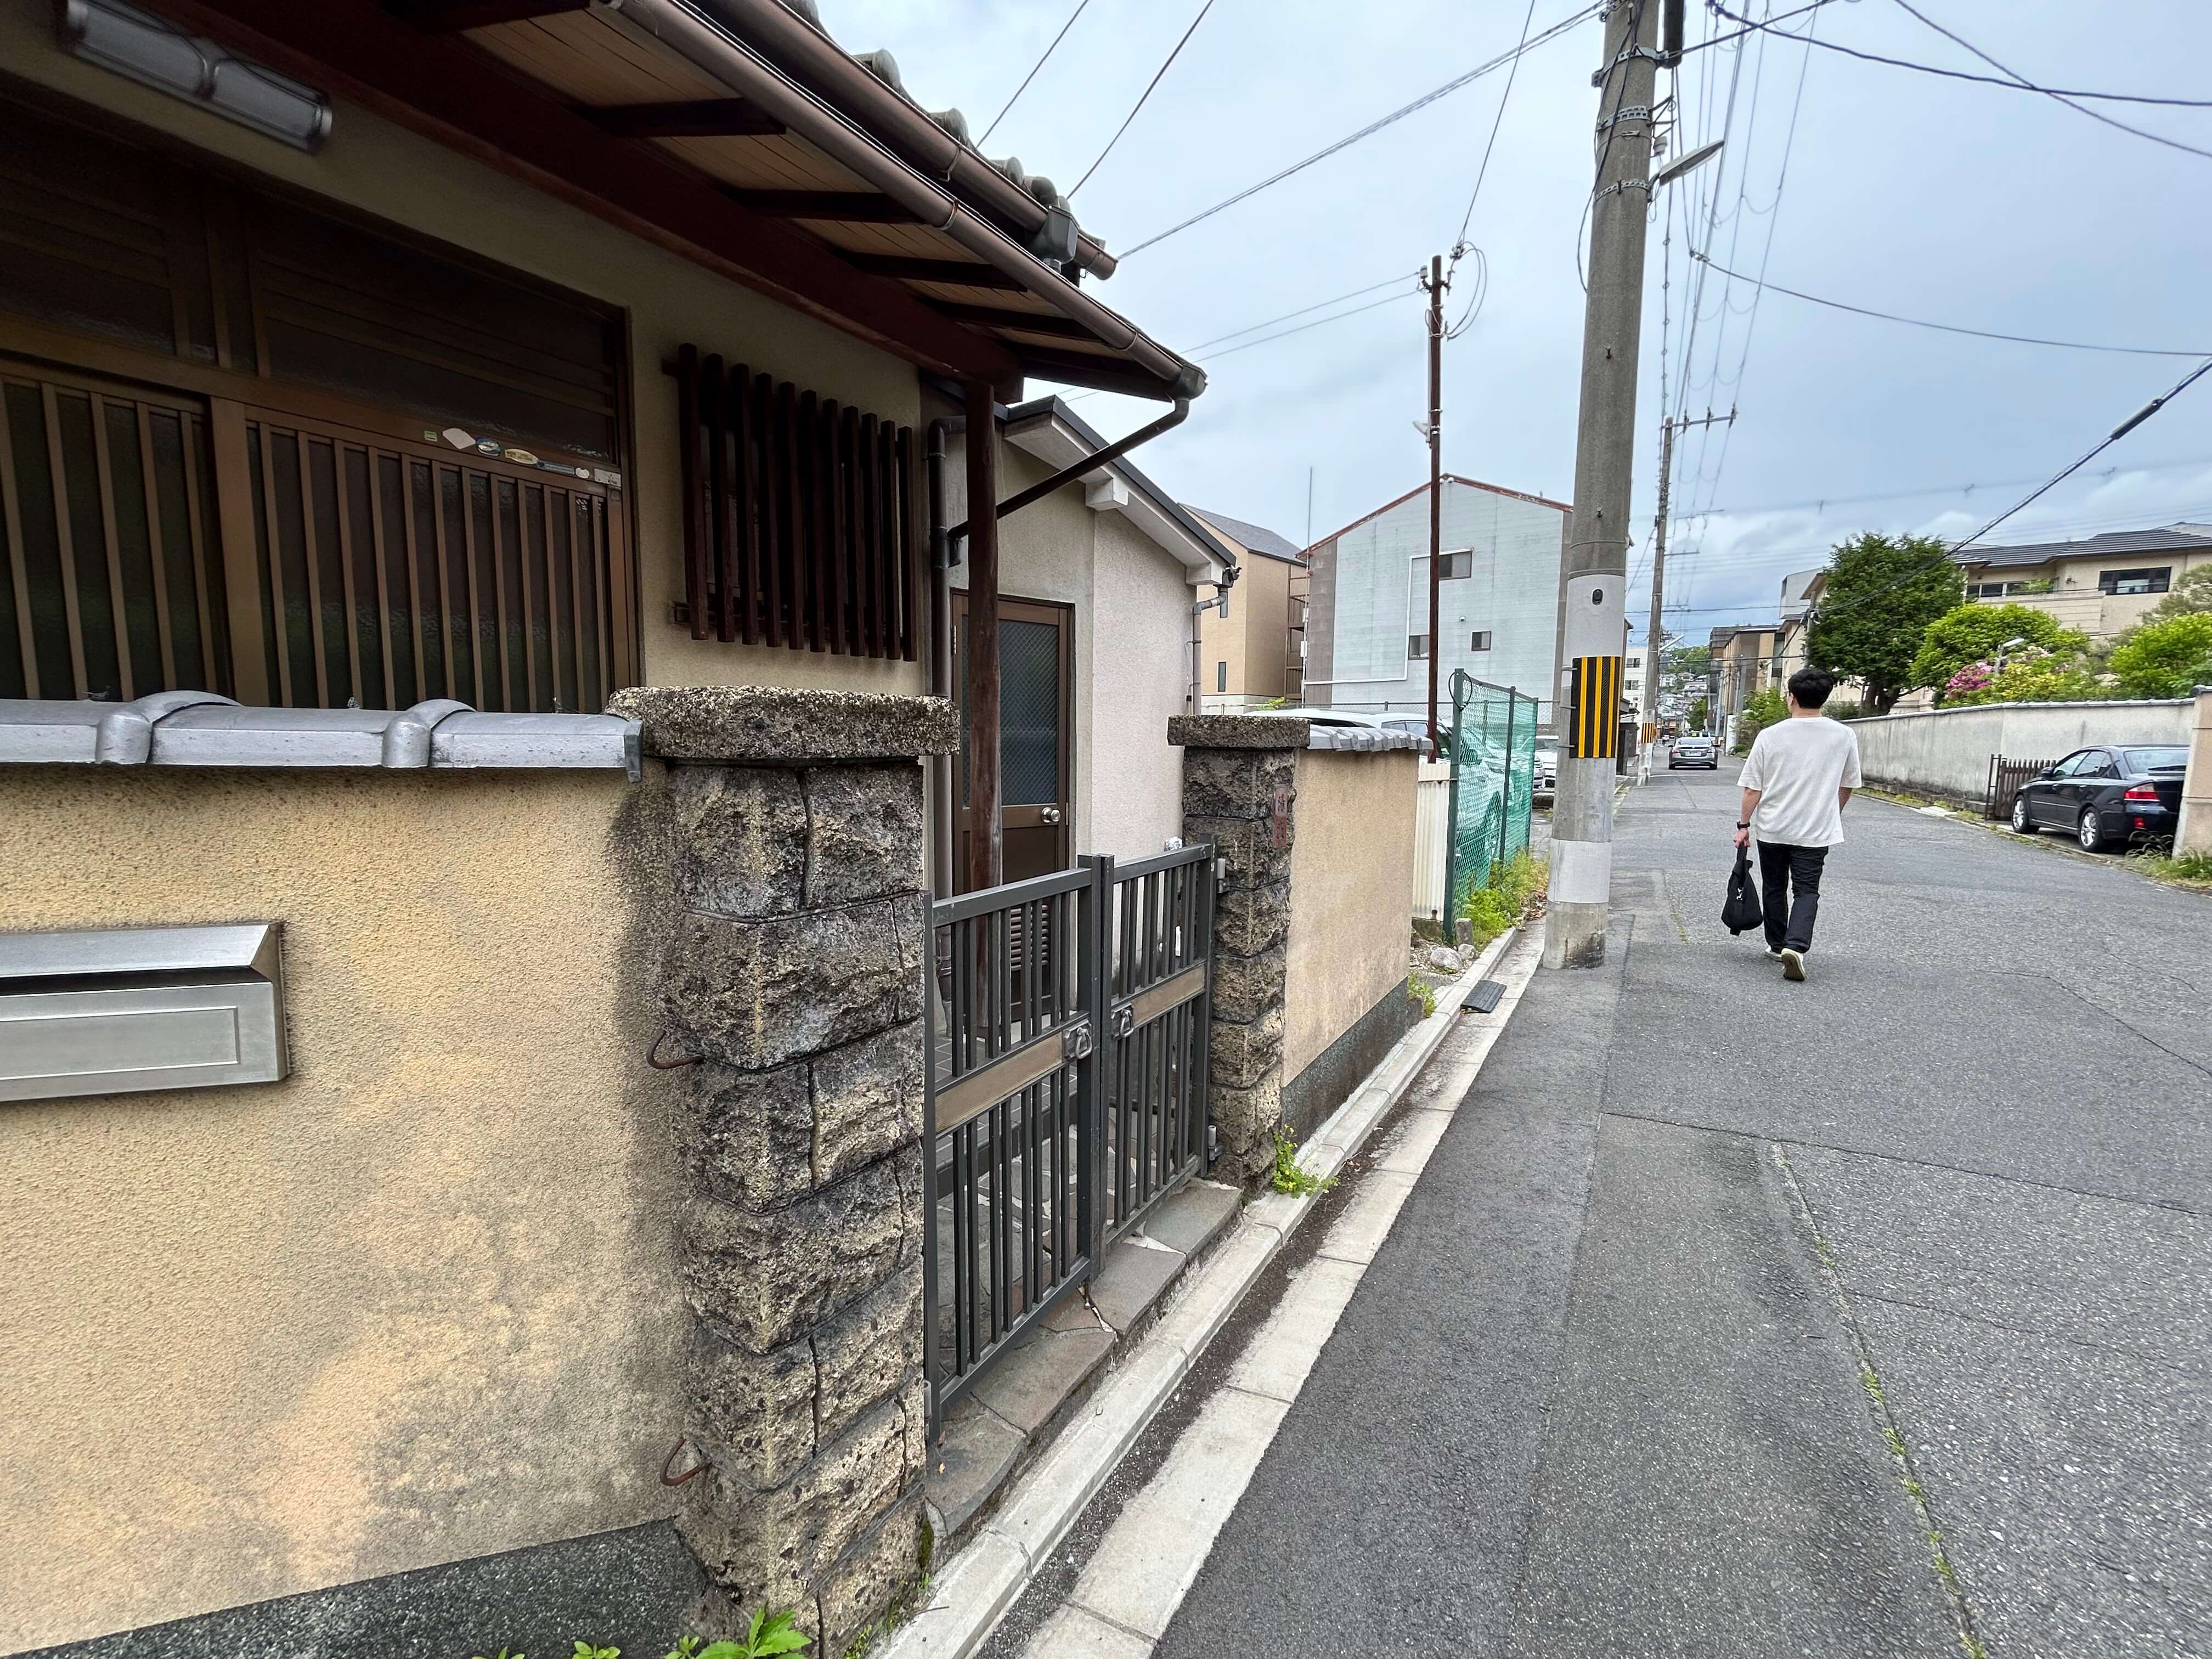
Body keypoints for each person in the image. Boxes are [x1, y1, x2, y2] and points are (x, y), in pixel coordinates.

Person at [1733, 667, 1861, 982]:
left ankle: (1778, 945)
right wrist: (1832, 812)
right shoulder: (1843, 735)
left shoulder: (1771, 735)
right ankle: (1797, 946)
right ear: (1825, 698)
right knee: (1807, 890)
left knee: (1774, 887)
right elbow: (1848, 785)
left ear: (1791, 697)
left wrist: (1744, 825)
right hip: (1816, 831)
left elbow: (1753, 789)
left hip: (1774, 828)